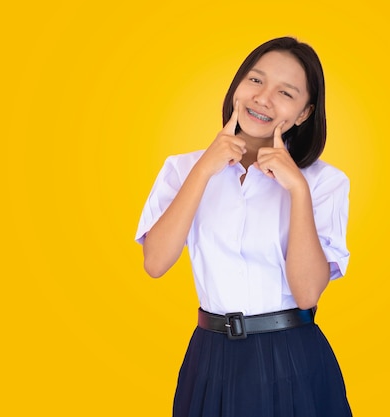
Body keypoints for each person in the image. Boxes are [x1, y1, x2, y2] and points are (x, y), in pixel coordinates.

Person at [135, 37, 353, 417]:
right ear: (237, 86)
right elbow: (155, 263)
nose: (263, 98)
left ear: (304, 113)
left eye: (285, 92)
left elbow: (307, 295)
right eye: (255, 81)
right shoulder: (182, 169)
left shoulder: (323, 182)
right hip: (209, 356)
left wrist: (297, 190)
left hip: (292, 357)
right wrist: (205, 167)